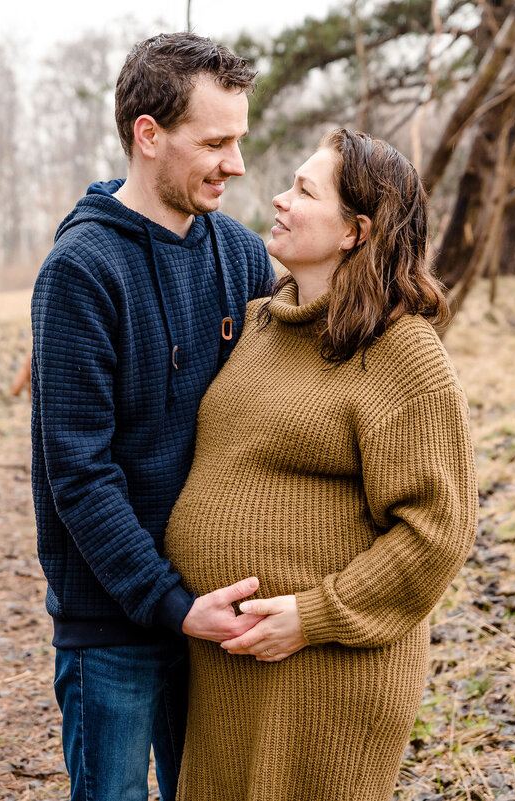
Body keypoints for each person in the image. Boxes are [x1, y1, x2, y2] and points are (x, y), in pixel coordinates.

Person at [164, 128, 479, 801]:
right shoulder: (260, 324)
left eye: (303, 190)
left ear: (355, 231)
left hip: (325, 670)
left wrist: (313, 616)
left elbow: (437, 531)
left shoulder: (401, 352)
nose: (277, 198)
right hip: (228, 669)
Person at [29, 33, 275, 801]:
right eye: (215, 142)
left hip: (219, 608)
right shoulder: (81, 272)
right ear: (148, 134)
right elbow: (79, 473)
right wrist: (171, 605)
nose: (235, 163)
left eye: (239, 139)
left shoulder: (239, 255)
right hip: (116, 622)